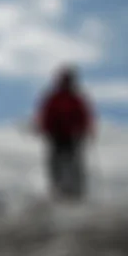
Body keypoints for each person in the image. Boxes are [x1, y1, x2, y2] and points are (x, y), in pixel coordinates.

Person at [33, 65, 96, 200]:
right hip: (56, 135)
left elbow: (84, 116)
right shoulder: (55, 98)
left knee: (73, 162)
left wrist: (85, 130)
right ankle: (58, 188)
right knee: (57, 162)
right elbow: (46, 115)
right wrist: (45, 129)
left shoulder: (75, 99)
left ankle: (76, 189)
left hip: (72, 136)